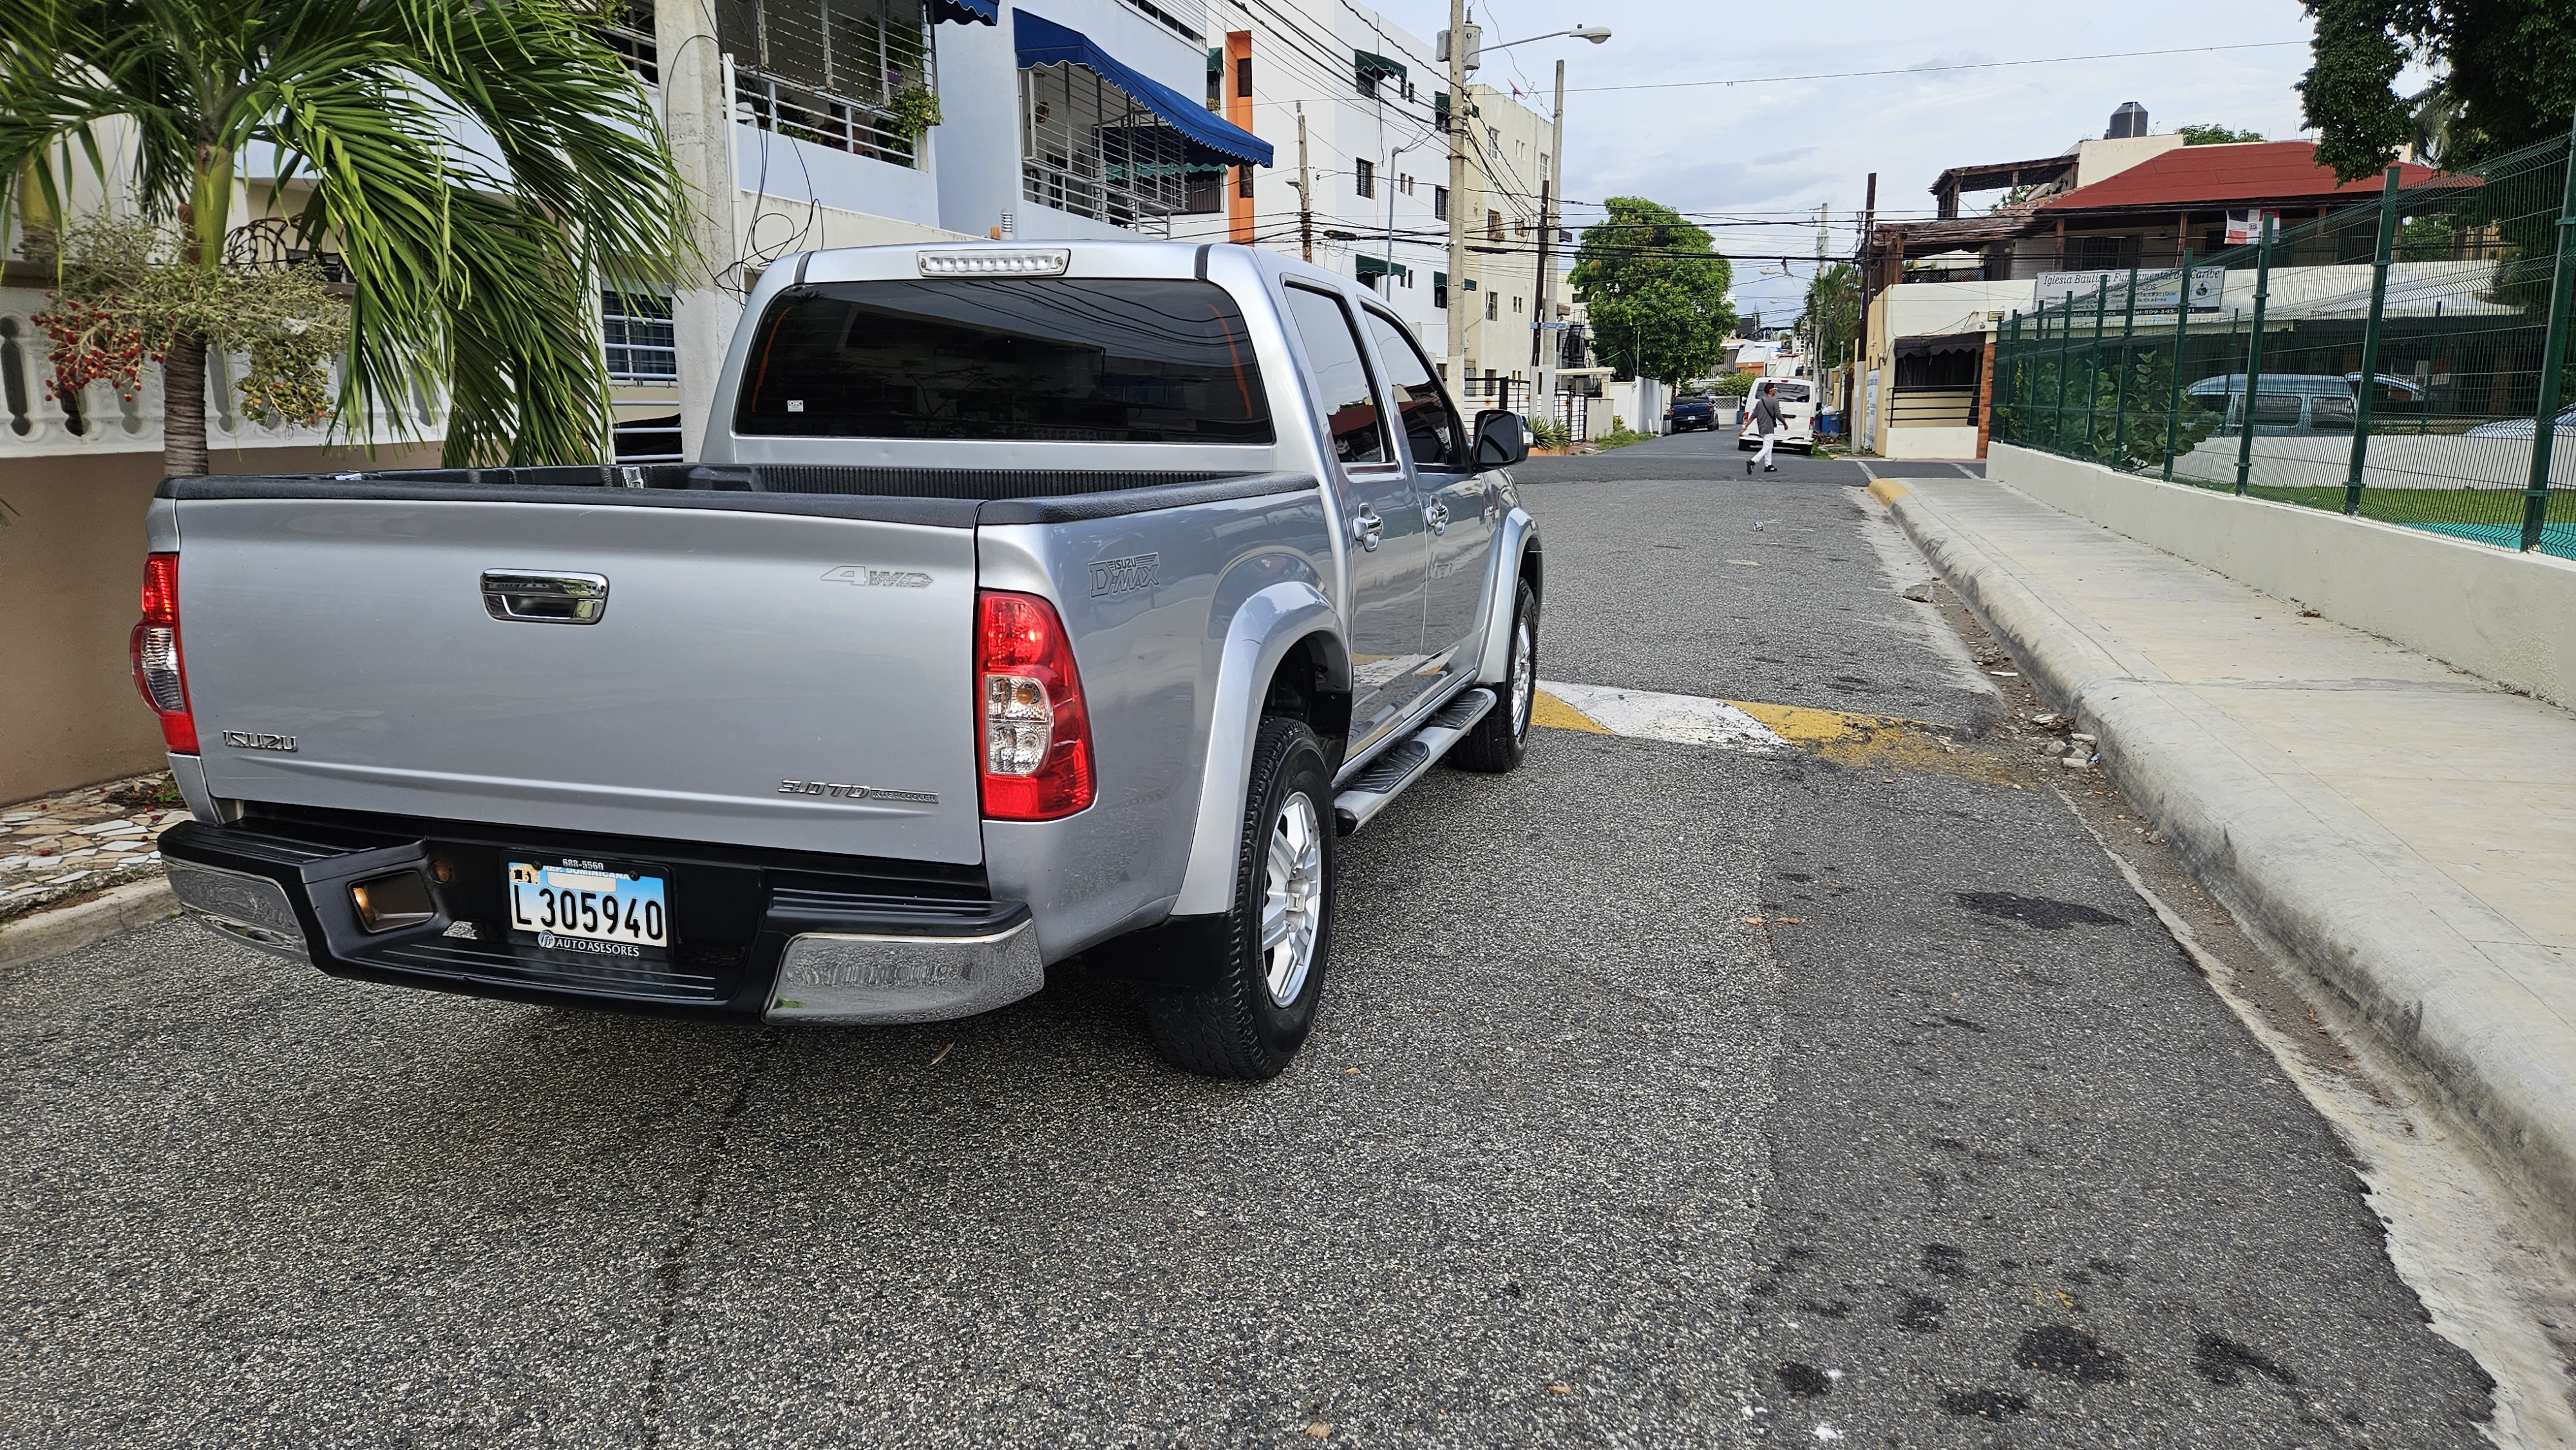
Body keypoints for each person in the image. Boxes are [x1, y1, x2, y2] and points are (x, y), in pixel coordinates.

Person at [1747, 382, 1783, 475]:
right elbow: (1778, 415)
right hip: (1769, 427)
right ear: (1771, 391)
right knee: (1767, 447)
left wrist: (1745, 427)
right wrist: (1784, 423)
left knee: (1768, 446)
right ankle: (1753, 461)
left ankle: (1768, 465)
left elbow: (1753, 415)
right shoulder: (1774, 401)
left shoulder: (1760, 402)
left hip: (1761, 427)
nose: (1775, 392)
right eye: (1775, 390)